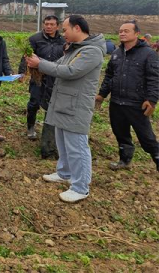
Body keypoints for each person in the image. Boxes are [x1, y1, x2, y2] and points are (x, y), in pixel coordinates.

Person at [26, 15, 106, 203]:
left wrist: (40, 64)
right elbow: (58, 65)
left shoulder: (91, 51)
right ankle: (65, 172)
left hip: (76, 106)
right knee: (62, 142)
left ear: (77, 28)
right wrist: (38, 60)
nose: (63, 33)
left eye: (65, 29)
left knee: (77, 147)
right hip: (64, 103)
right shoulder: (75, 50)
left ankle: (80, 187)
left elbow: (70, 71)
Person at [96, 21, 159, 172]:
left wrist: (151, 100)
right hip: (117, 102)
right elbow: (109, 76)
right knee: (121, 133)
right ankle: (124, 160)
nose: (122, 33)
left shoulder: (148, 53)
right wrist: (102, 94)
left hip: (136, 103)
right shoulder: (117, 53)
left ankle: (157, 159)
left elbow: (154, 78)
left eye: (126, 31)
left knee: (146, 137)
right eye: (120, 31)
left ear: (137, 34)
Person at [18, 15, 65, 140]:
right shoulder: (35, 39)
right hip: (38, 77)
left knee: (52, 104)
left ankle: (48, 131)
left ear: (57, 26)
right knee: (34, 103)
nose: (49, 26)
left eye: (52, 24)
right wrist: (22, 72)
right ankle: (30, 128)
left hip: (55, 77)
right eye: (46, 24)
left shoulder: (63, 40)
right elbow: (26, 56)